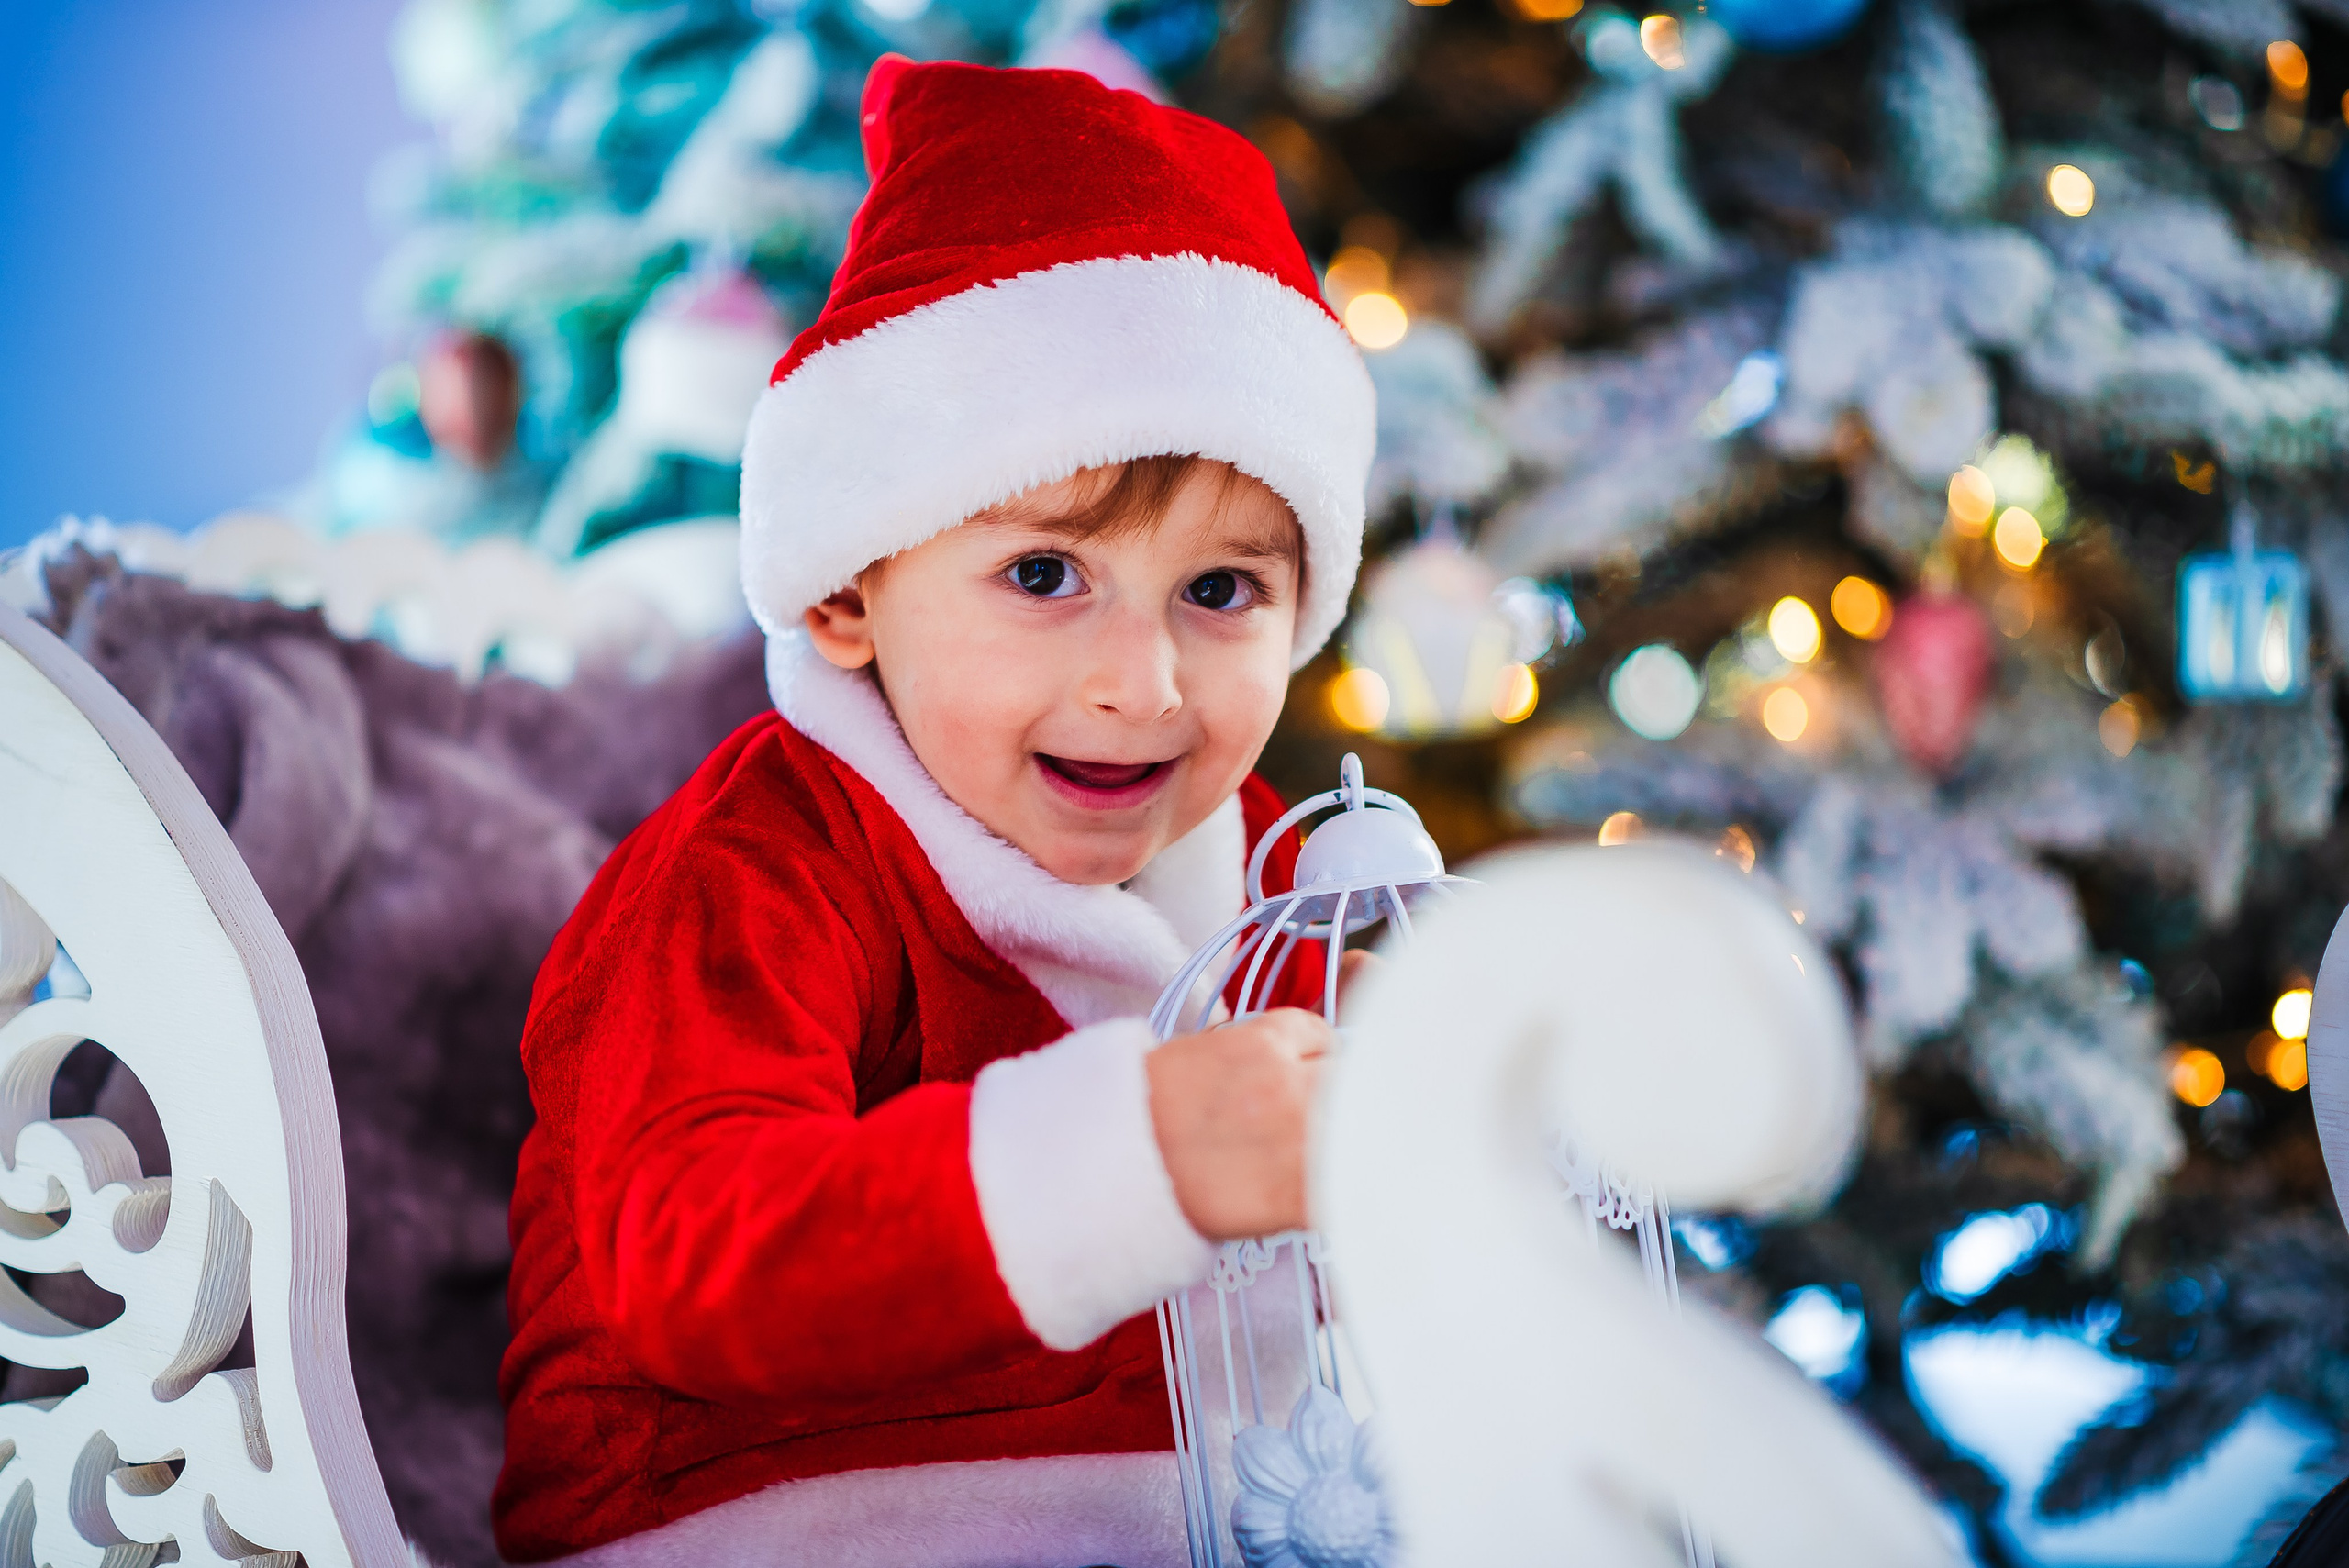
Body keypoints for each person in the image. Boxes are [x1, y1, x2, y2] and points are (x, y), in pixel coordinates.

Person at [493, 56, 1375, 1568]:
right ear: (848, 587)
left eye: (1221, 591)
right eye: (1045, 576)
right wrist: (1144, 1151)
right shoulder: (755, 868)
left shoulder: (1267, 868)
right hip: (756, 1516)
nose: (1143, 683)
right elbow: (692, 1245)